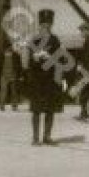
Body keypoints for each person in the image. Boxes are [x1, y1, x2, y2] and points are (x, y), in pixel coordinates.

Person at [27, 9, 65, 145]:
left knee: (50, 109)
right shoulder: (34, 40)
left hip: (50, 80)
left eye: (48, 24)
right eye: (43, 24)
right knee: (36, 109)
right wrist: (35, 58)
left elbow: (62, 61)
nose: (46, 27)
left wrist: (50, 57)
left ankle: (47, 136)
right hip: (37, 79)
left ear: (51, 25)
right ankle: (35, 138)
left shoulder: (55, 40)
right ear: (40, 25)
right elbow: (28, 63)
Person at [0, 41, 22, 111]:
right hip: (6, 75)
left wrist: (19, 74)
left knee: (10, 91)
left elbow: (19, 66)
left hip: (10, 75)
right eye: (8, 47)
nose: (9, 48)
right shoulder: (3, 55)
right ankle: (4, 105)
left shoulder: (15, 55)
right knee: (7, 91)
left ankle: (10, 105)